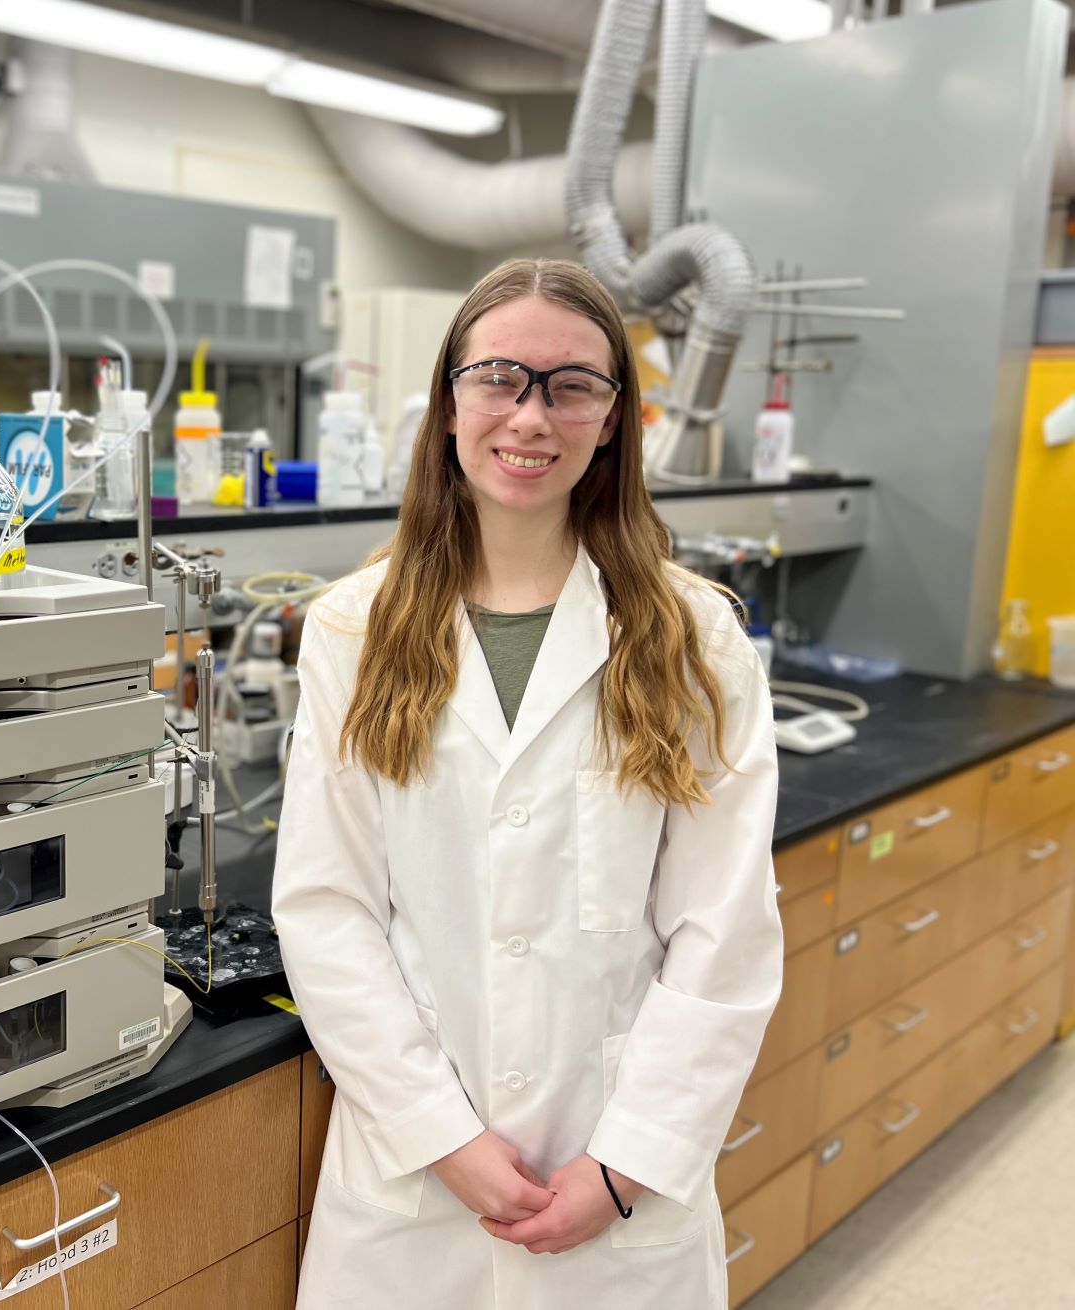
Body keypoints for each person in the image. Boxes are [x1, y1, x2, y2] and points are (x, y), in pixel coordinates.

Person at [271, 258, 784, 1308]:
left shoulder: (695, 639)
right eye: (499, 375)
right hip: (416, 1180)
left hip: (616, 1175)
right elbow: (328, 912)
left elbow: (723, 936)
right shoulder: (350, 631)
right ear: (449, 396)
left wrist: (626, 1160)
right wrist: (442, 1135)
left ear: (611, 418)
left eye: (571, 384)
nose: (530, 415)